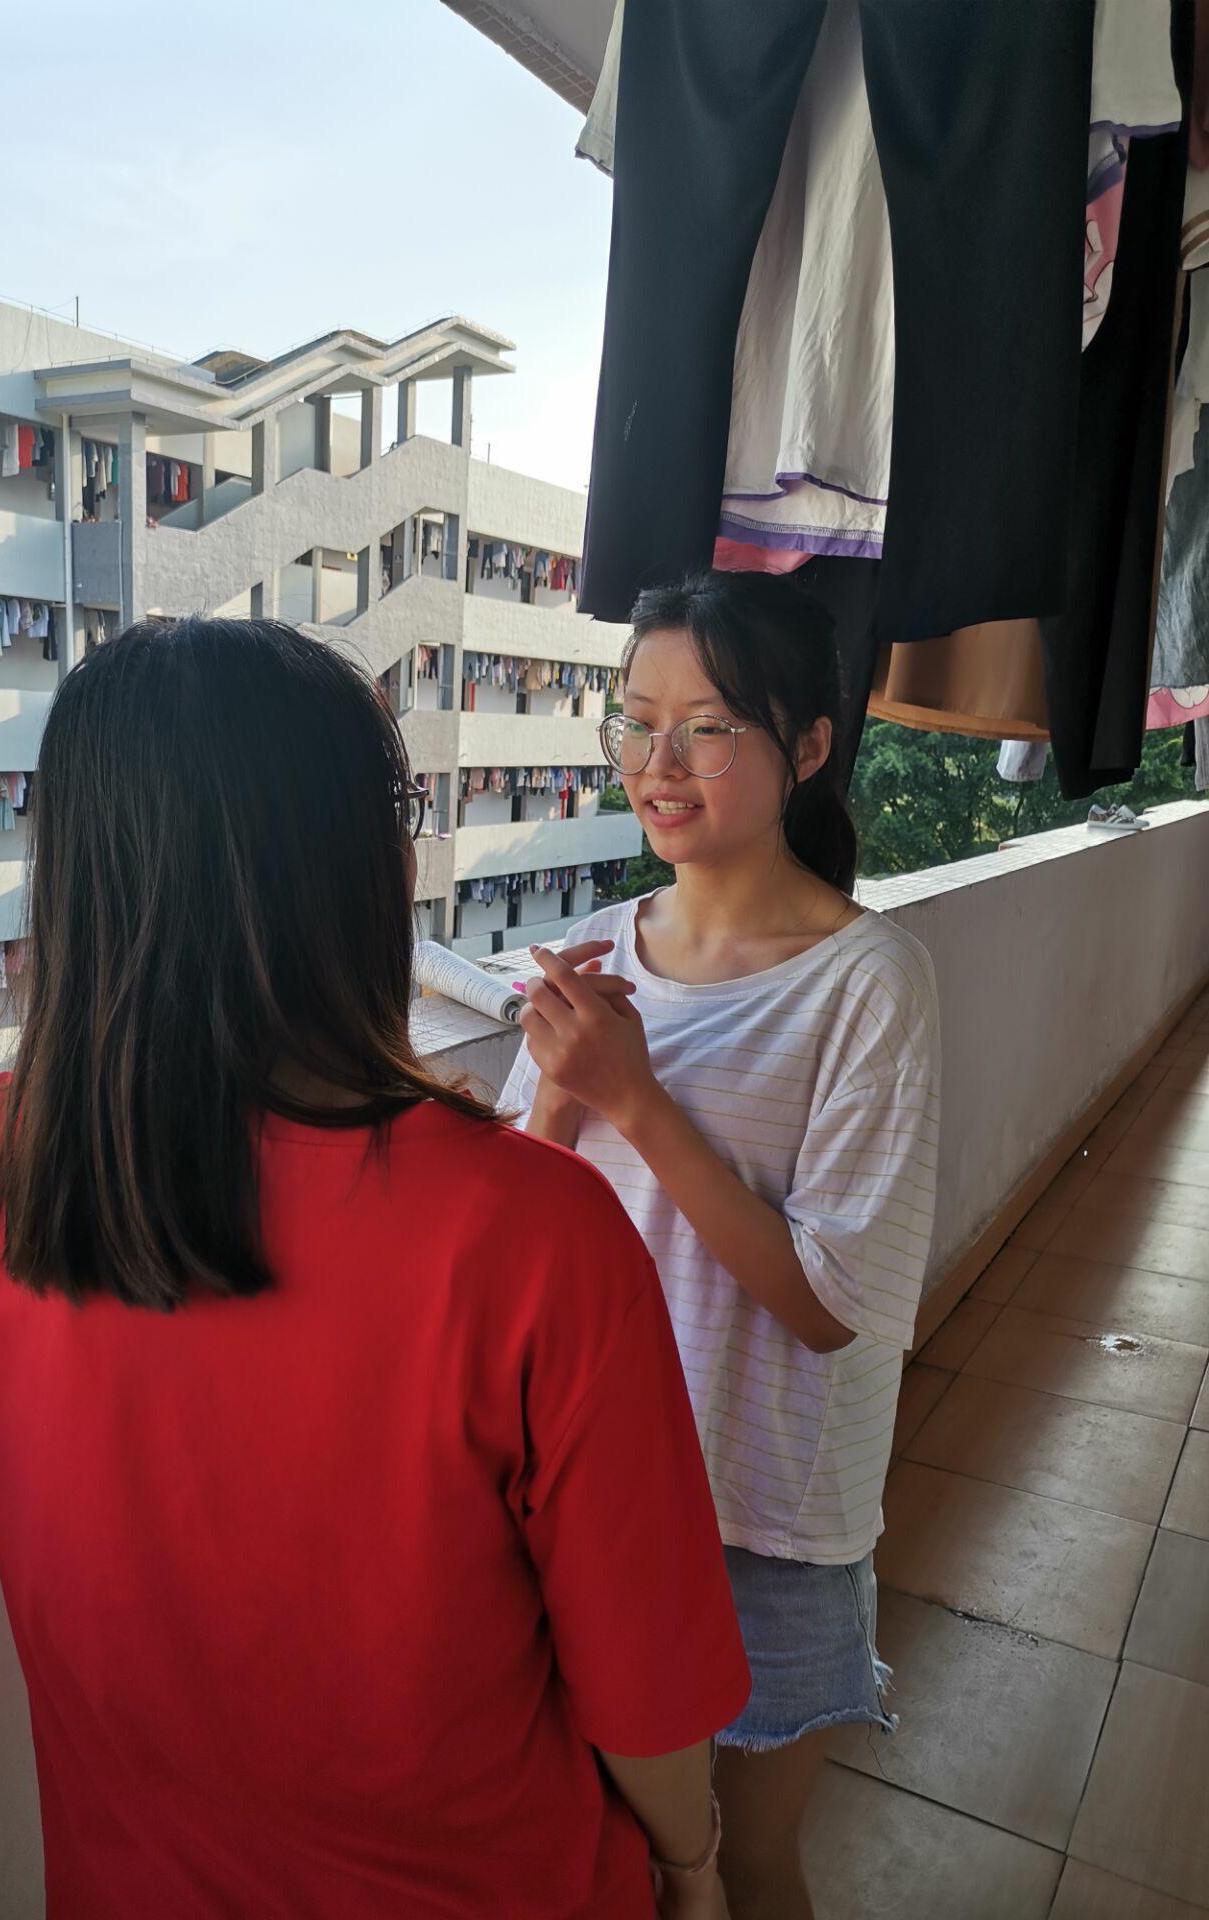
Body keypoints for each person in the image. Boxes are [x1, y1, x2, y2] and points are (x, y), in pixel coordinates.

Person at [0, 618, 751, 1920]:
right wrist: (694, 1870)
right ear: (360, 868)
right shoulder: (545, 1237)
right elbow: (648, 1710)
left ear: (86, 883)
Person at [505, 571, 941, 1920]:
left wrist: (635, 1099)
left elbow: (828, 1302)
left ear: (807, 746)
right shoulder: (596, 954)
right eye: (637, 724)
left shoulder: (868, 981)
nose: (660, 762)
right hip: (600, 1481)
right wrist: (563, 1100)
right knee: (621, 1854)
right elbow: (523, 1224)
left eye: (707, 728)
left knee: (750, 1865)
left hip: (764, 1504)